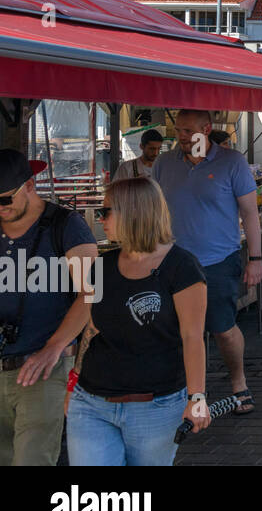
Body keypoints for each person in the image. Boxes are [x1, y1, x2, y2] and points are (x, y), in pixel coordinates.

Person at [67, 177, 208, 465]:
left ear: (133, 212)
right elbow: (92, 330)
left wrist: (197, 396)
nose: (100, 219)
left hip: (156, 405)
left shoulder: (181, 267)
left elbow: (192, 337)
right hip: (92, 401)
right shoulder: (103, 266)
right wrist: (72, 384)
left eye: (107, 211)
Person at [152, 108, 261, 415]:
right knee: (174, 330)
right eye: (178, 130)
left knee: (223, 329)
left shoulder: (232, 163)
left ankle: (239, 383)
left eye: (188, 131)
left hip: (218, 261)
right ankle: (182, 391)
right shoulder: (164, 163)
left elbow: (251, 214)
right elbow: (155, 212)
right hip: (172, 263)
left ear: (207, 128)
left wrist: (255, 258)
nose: (182, 137)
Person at [0, 151, 98, 466]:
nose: (0, 208)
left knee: (32, 459)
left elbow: (92, 293)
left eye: (4, 199)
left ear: (30, 185)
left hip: (42, 367)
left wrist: (54, 347)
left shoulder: (66, 225)